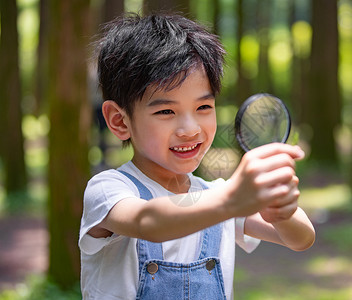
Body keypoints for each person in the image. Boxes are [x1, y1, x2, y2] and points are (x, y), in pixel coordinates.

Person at [79, 13, 315, 300]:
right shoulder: (108, 190)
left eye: (203, 107)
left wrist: (282, 210)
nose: (190, 130)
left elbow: (302, 238)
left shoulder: (218, 195)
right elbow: (148, 222)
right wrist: (233, 200)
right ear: (119, 120)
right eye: (166, 111)